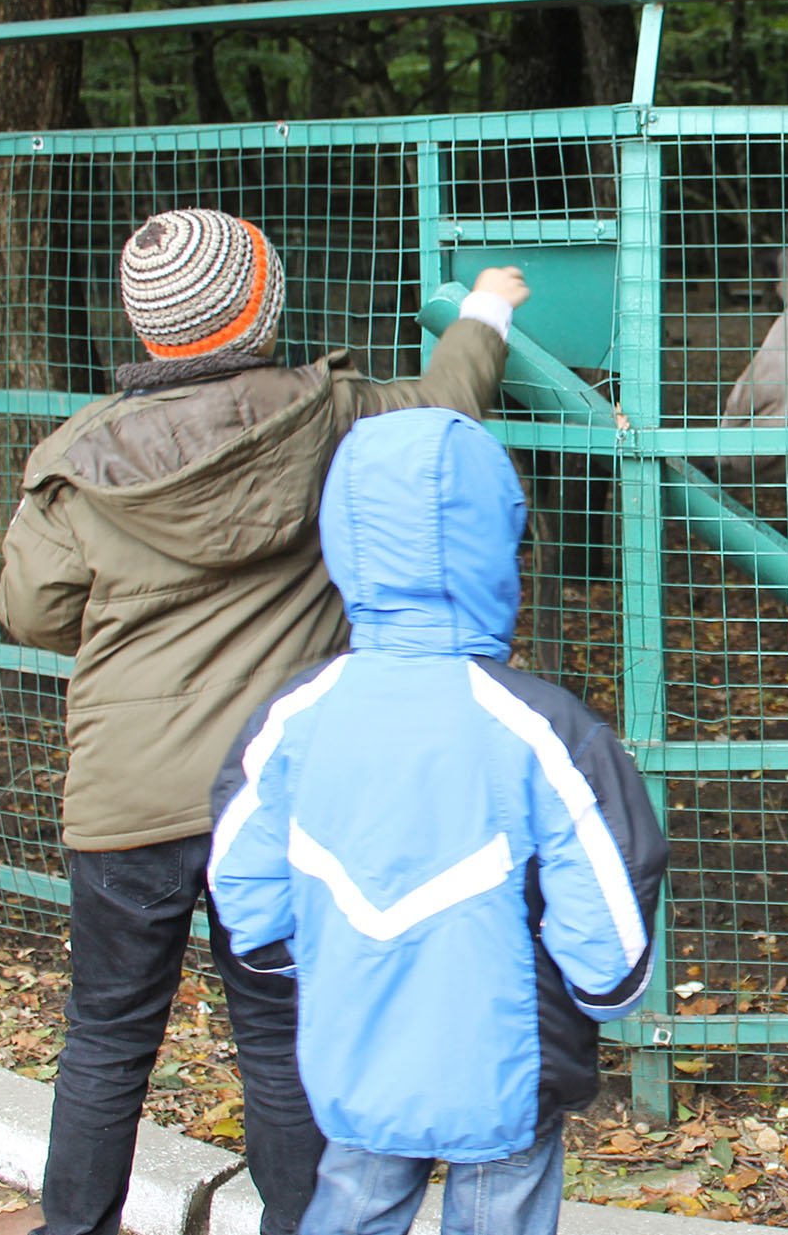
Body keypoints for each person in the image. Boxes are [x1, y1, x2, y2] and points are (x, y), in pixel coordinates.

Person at [0, 207, 525, 1235]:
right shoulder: (330, 416)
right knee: (283, 1039)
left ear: (148, 326)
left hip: (124, 797)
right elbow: (447, 398)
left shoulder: (74, 460)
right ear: (263, 306)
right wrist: (487, 310)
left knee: (104, 1039)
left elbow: (33, 612)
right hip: (284, 795)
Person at [208, 406, 667, 1235]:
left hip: (356, 1048)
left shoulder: (293, 719)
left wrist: (316, 956)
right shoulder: (545, 727)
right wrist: (602, 990)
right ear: (499, 542)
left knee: (348, 1203)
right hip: (506, 1067)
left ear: (342, 536)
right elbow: (609, 929)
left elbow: (245, 894)